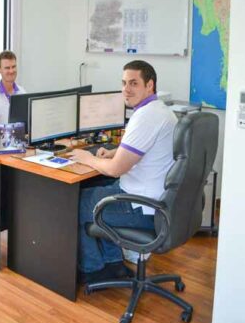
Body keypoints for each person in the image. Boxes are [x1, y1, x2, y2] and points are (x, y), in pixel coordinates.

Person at [68, 60, 178, 284]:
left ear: (150, 85)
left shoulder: (145, 117)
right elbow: (146, 148)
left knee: (73, 203)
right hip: (159, 202)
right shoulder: (161, 111)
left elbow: (116, 169)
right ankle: (113, 264)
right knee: (96, 190)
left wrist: (88, 159)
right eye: (124, 83)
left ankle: (93, 268)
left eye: (134, 83)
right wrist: (116, 151)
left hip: (141, 207)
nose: (126, 89)